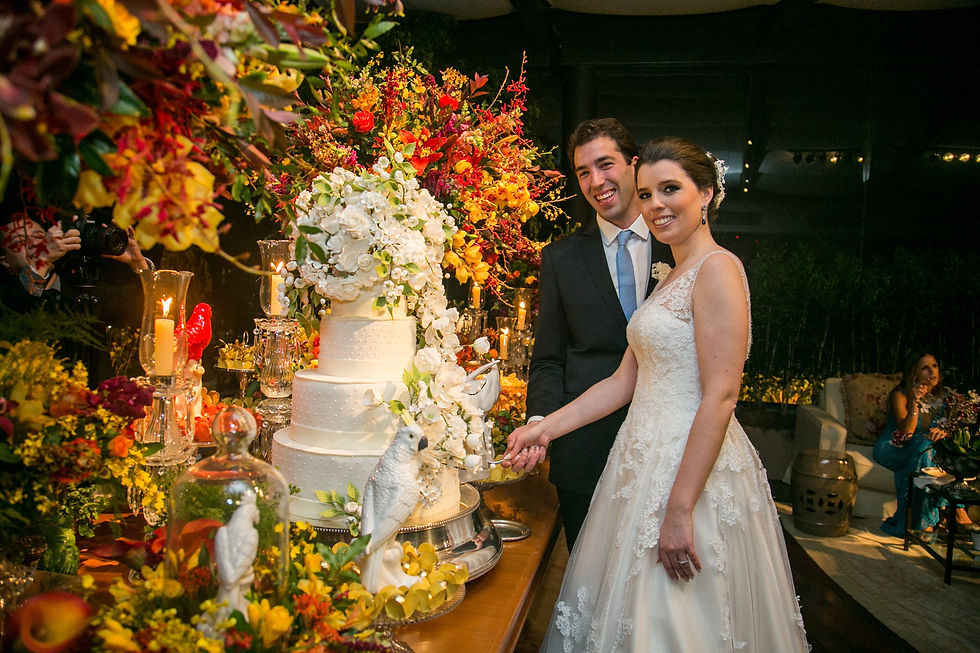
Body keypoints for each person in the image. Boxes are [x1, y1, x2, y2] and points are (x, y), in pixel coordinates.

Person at [504, 137, 808, 651]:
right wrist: (544, 427)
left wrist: (679, 508)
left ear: (707, 192)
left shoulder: (718, 269)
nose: (656, 205)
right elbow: (624, 382)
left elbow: (722, 395)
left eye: (671, 189)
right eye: (646, 194)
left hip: (688, 473)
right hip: (638, 462)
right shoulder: (671, 278)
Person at [525, 118, 672, 550]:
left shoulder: (679, 247)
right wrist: (541, 424)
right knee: (588, 592)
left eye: (605, 165)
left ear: (634, 163)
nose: (596, 181)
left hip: (666, 447)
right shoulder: (560, 259)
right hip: (585, 452)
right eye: (583, 172)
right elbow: (549, 358)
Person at [872, 352, 969, 536]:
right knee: (924, 446)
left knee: (929, 450)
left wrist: (945, 432)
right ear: (914, 373)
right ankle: (954, 512)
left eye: (935, 366)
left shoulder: (946, 398)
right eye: (925, 367)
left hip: (923, 450)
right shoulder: (900, 395)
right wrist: (915, 402)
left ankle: (926, 523)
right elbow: (907, 433)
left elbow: (952, 430)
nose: (932, 371)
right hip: (894, 446)